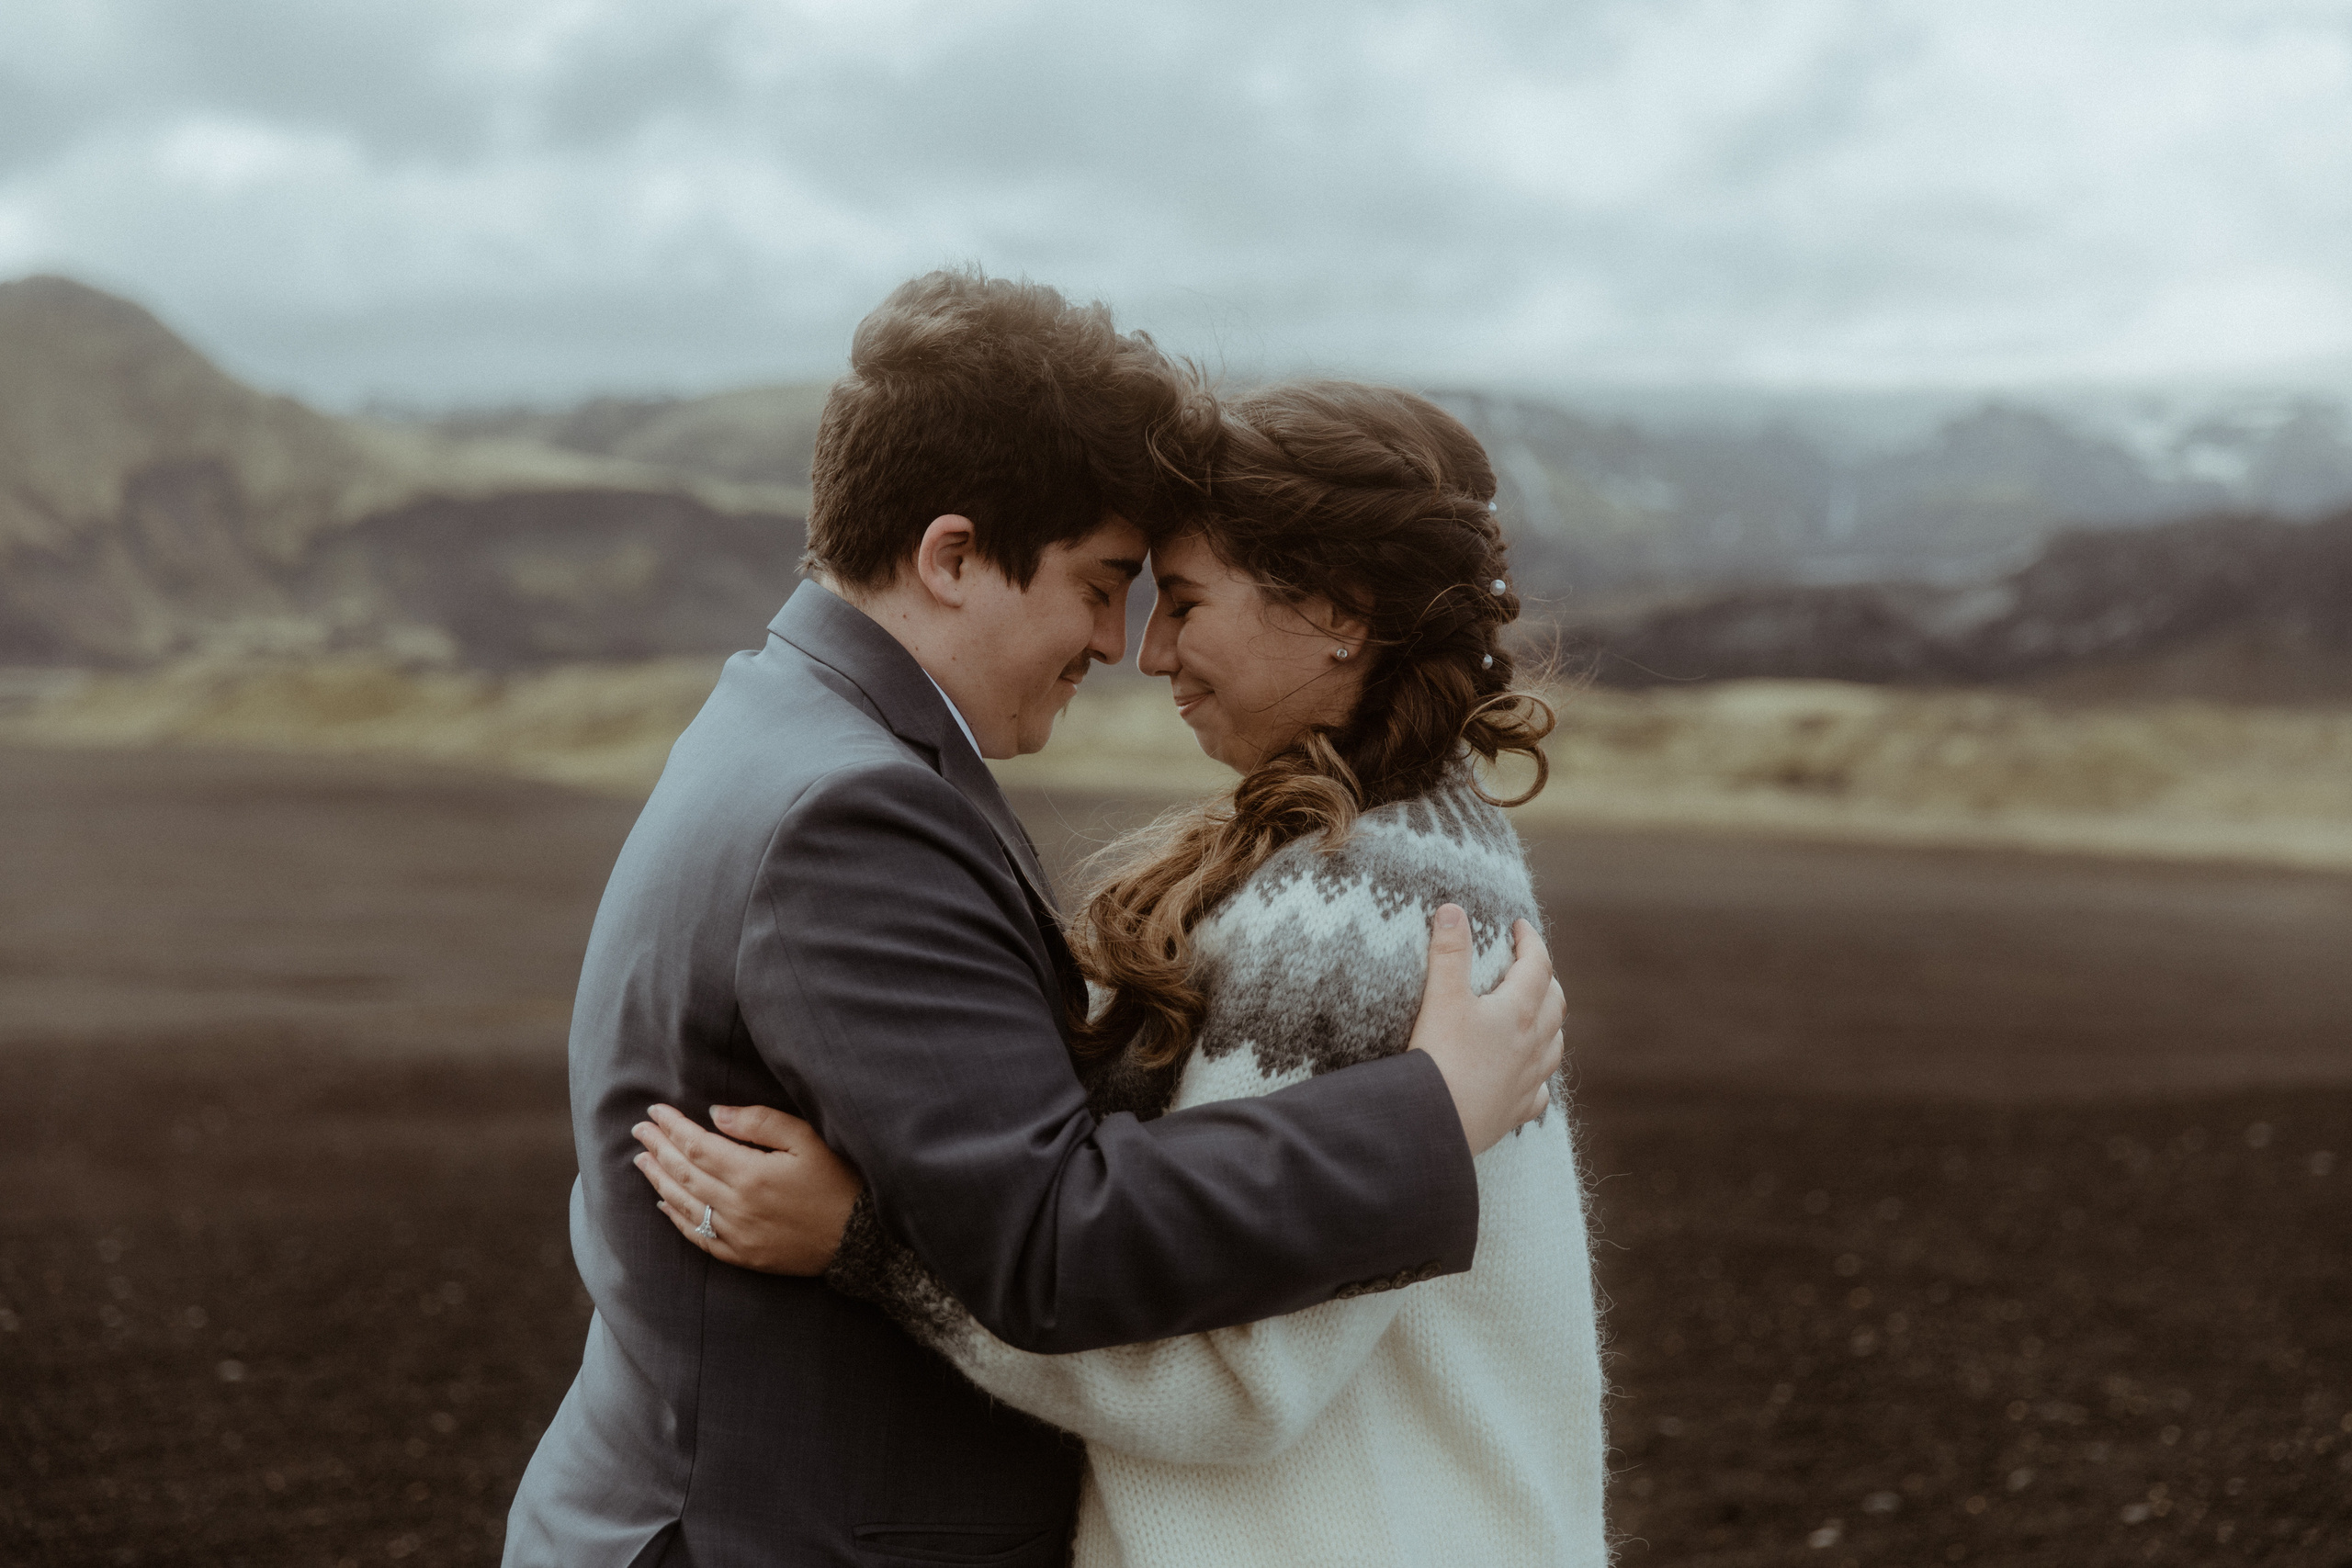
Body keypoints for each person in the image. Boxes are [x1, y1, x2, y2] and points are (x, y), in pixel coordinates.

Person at [503, 274, 1567, 1568]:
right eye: (1107, 584)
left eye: (1169, 599)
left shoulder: (776, 723)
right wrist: (1429, 1116)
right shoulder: (854, 812)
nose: (1125, 646)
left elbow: (1197, 1345)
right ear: (952, 557)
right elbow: (1053, 1236)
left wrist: (861, 1243)